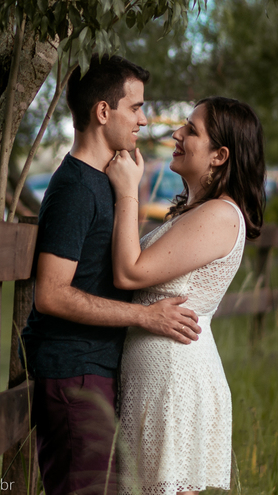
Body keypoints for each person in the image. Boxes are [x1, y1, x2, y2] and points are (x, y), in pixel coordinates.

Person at [21, 55, 202, 495]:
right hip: (73, 373)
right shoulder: (75, 189)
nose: (143, 119)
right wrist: (145, 317)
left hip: (95, 370)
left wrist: (130, 192)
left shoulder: (105, 181)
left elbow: (126, 264)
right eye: (135, 107)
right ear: (104, 112)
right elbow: (50, 294)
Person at [106, 97, 266, 495]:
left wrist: (128, 192)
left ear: (219, 155)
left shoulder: (220, 215)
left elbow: (130, 271)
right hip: (158, 378)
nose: (177, 134)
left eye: (192, 130)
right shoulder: (196, 211)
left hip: (175, 381)